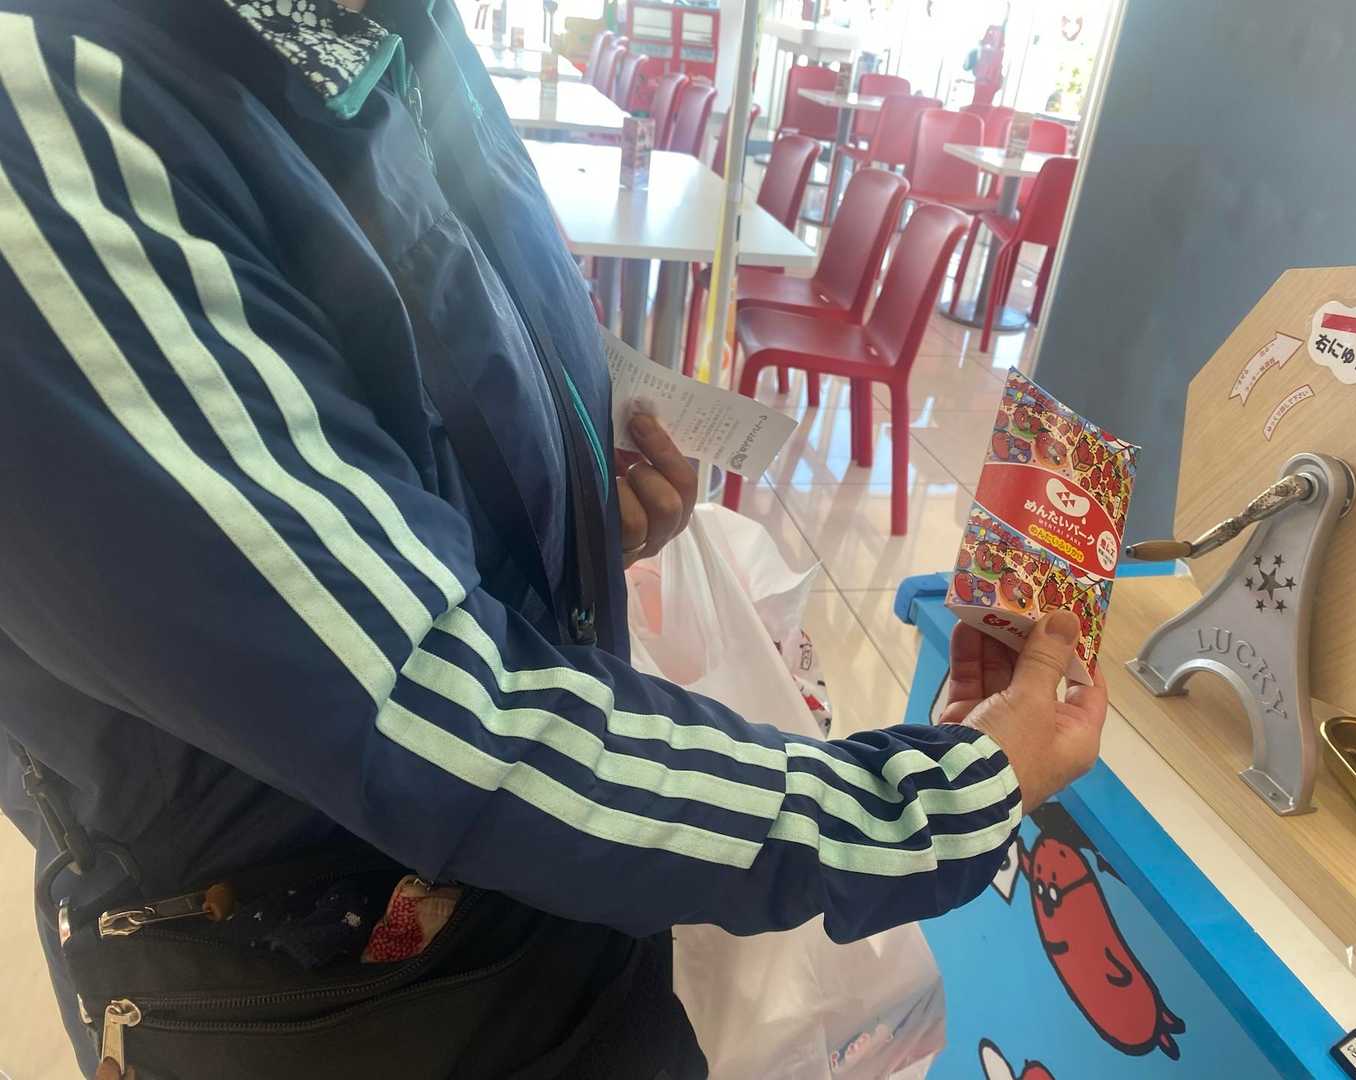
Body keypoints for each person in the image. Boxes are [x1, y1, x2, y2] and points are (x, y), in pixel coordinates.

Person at [0, 0, 1107, 1076]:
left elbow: (382, 432)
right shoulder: (59, 118)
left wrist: (572, 510)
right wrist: (925, 806)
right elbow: (433, 714)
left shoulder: (392, 34)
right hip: (328, 991)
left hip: (549, 923)